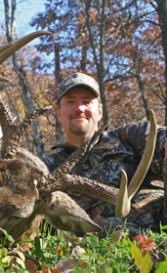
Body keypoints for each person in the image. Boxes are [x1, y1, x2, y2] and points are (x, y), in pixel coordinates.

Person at [43, 72, 165, 237]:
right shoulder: (46, 167)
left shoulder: (130, 137)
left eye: (86, 101)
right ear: (58, 112)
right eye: (71, 101)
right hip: (87, 255)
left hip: (155, 239)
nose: (79, 108)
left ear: (99, 111)